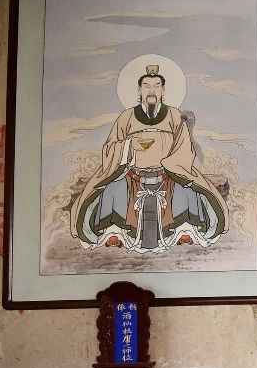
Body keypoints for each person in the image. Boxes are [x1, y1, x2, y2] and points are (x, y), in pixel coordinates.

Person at [70, 65, 228, 251]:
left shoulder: (174, 115)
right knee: (112, 188)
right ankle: (115, 232)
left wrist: (171, 163)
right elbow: (110, 147)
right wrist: (129, 145)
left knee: (187, 189)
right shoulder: (126, 117)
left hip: (170, 173)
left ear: (163, 90)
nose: (151, 90)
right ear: (139, 90)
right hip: (131, 173)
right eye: (146, 86)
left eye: (156, 86)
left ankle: (183, 230)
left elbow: (185, 147)